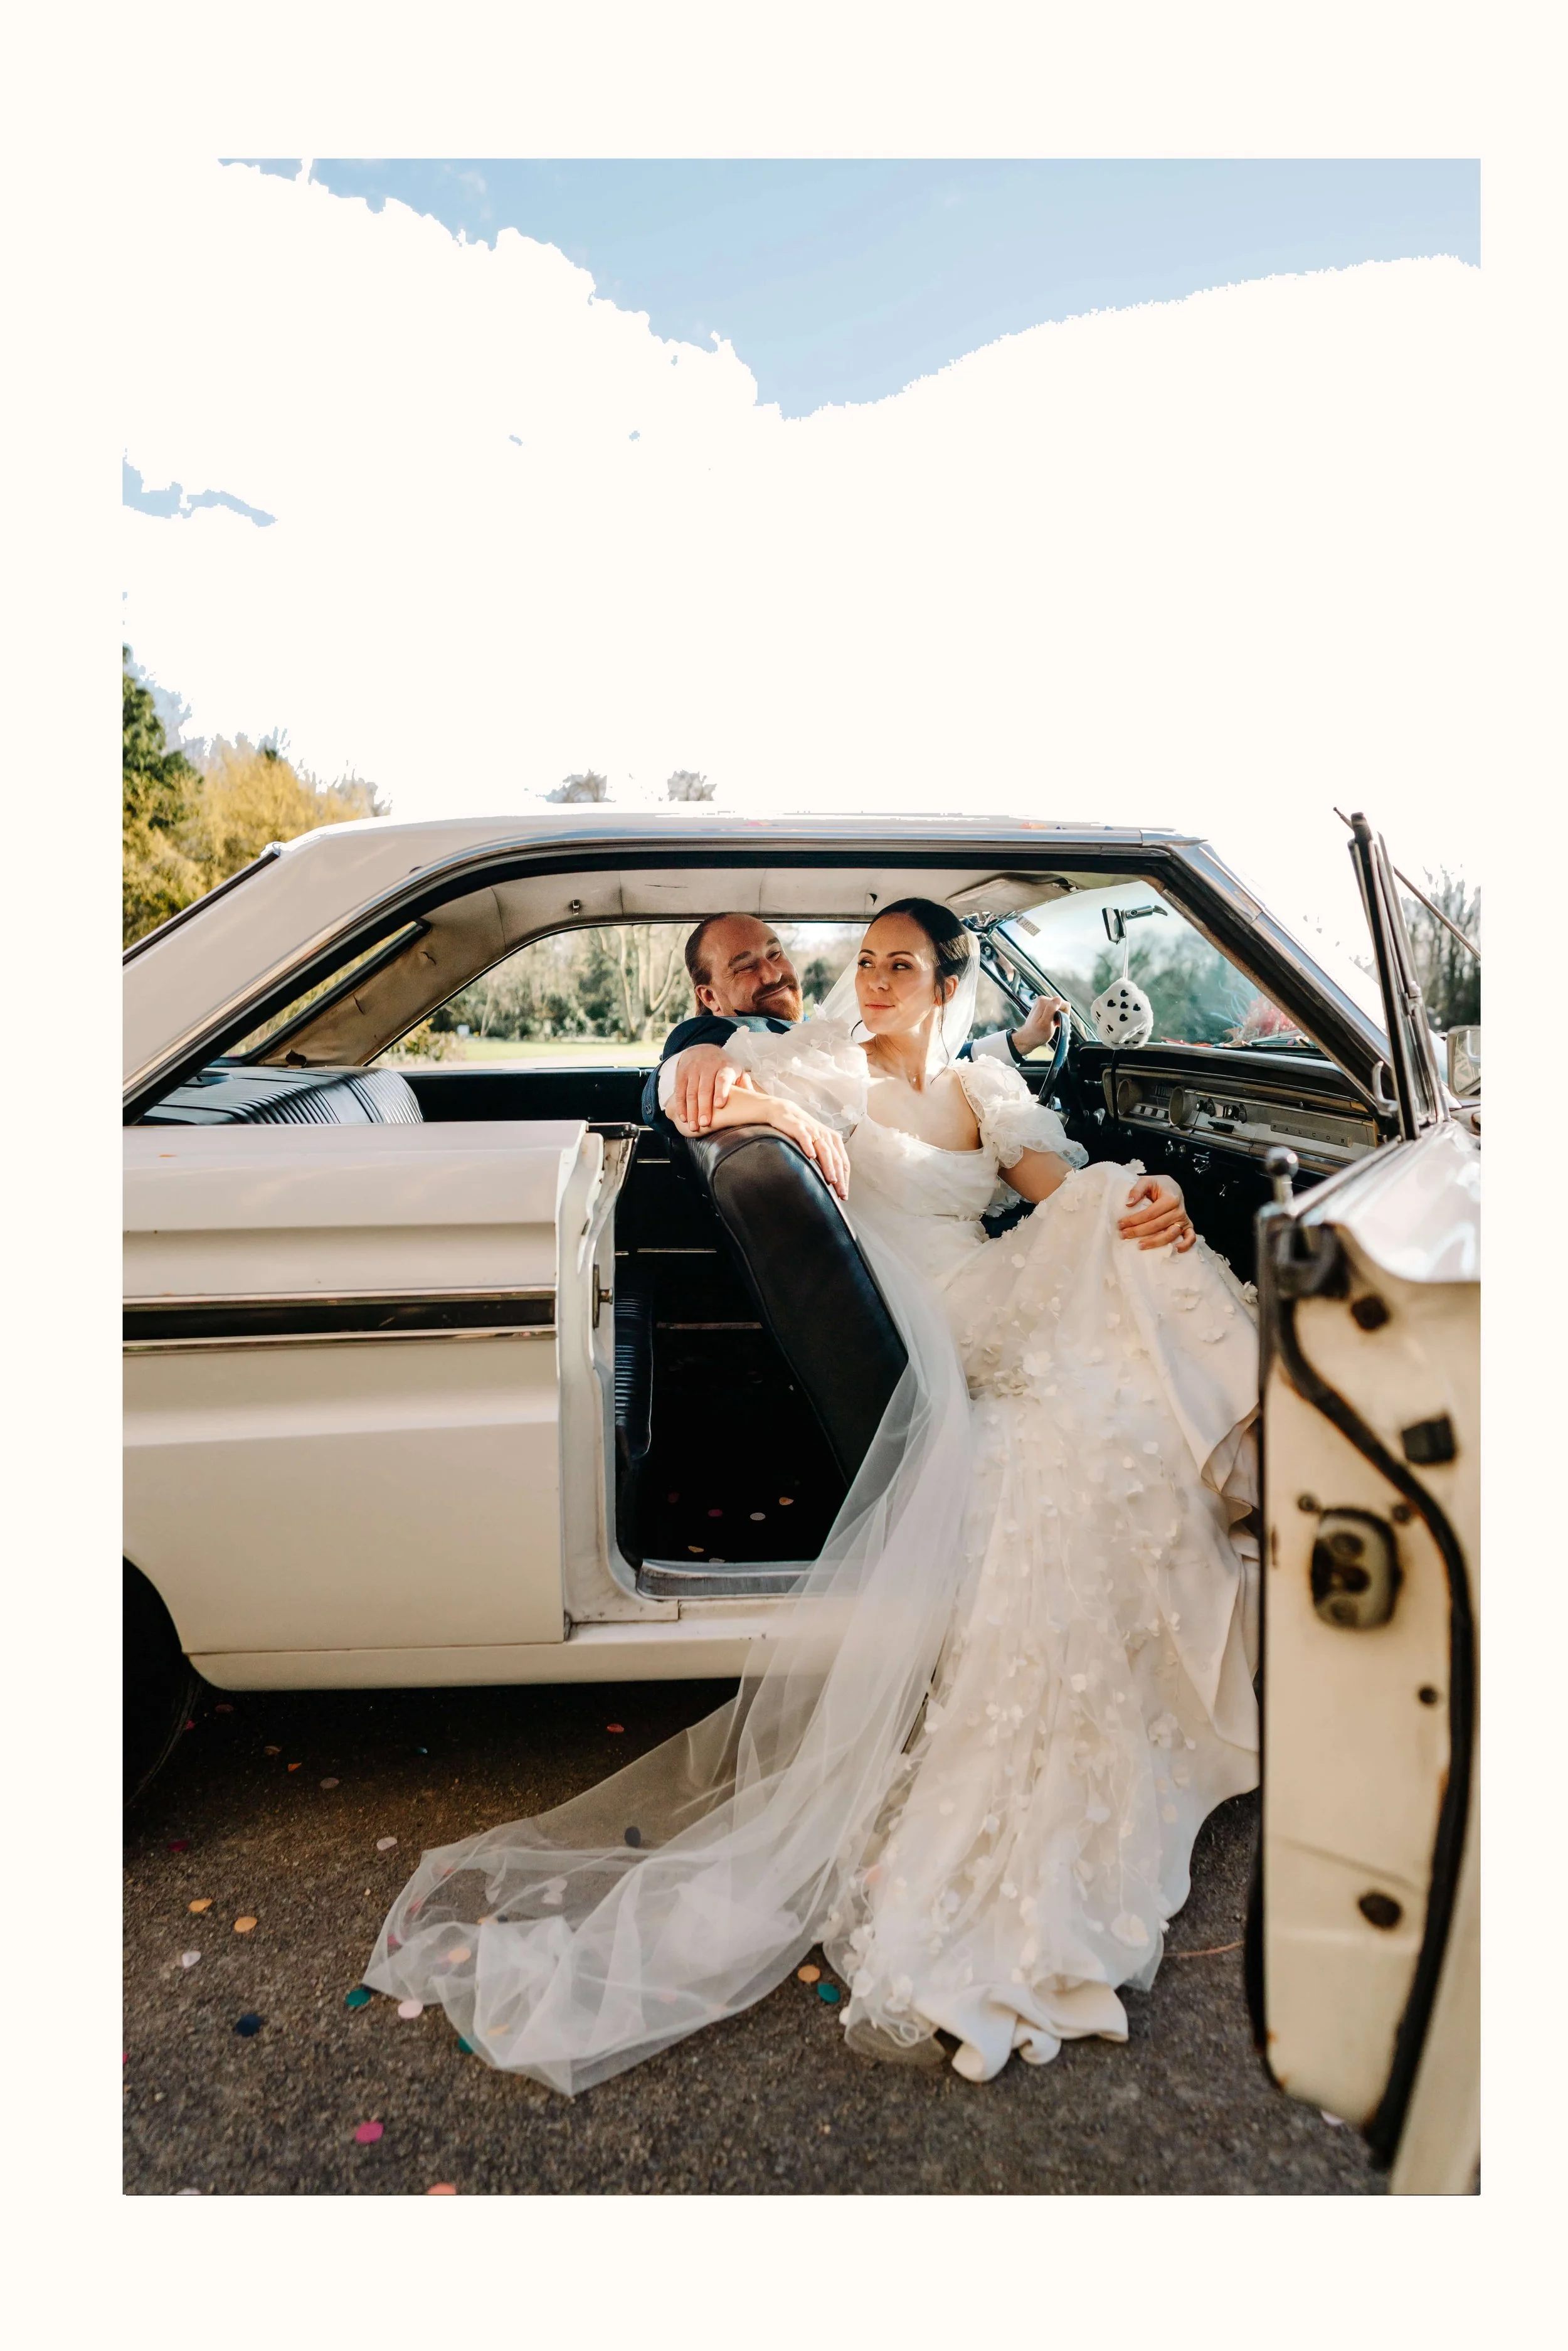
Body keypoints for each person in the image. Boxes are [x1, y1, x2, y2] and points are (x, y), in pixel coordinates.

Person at [365, 900, 1255, 2093]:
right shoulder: (814, 1060)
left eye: (902, 964)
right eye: (867, 960)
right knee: (1113, 1313)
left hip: (1002, 1283)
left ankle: (1236, 1446)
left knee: (1118, 1218)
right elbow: (692, 1069)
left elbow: (1051, 1188)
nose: (874, 979)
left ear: (950, 985)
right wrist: (776, 1104)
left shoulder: (989, 1086)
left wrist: (1137, 1197)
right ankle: (1263, 1454)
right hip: (942, 1320)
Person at [642, 912, 1067, 1198]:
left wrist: (1021, 1041)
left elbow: (908, 1054)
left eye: (775, 954)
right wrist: (695, 1055)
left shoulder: (825, 1036)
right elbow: (673, 1082)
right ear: (710, 998)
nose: (772, 974)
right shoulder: (721, 1034)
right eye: (745, 966)